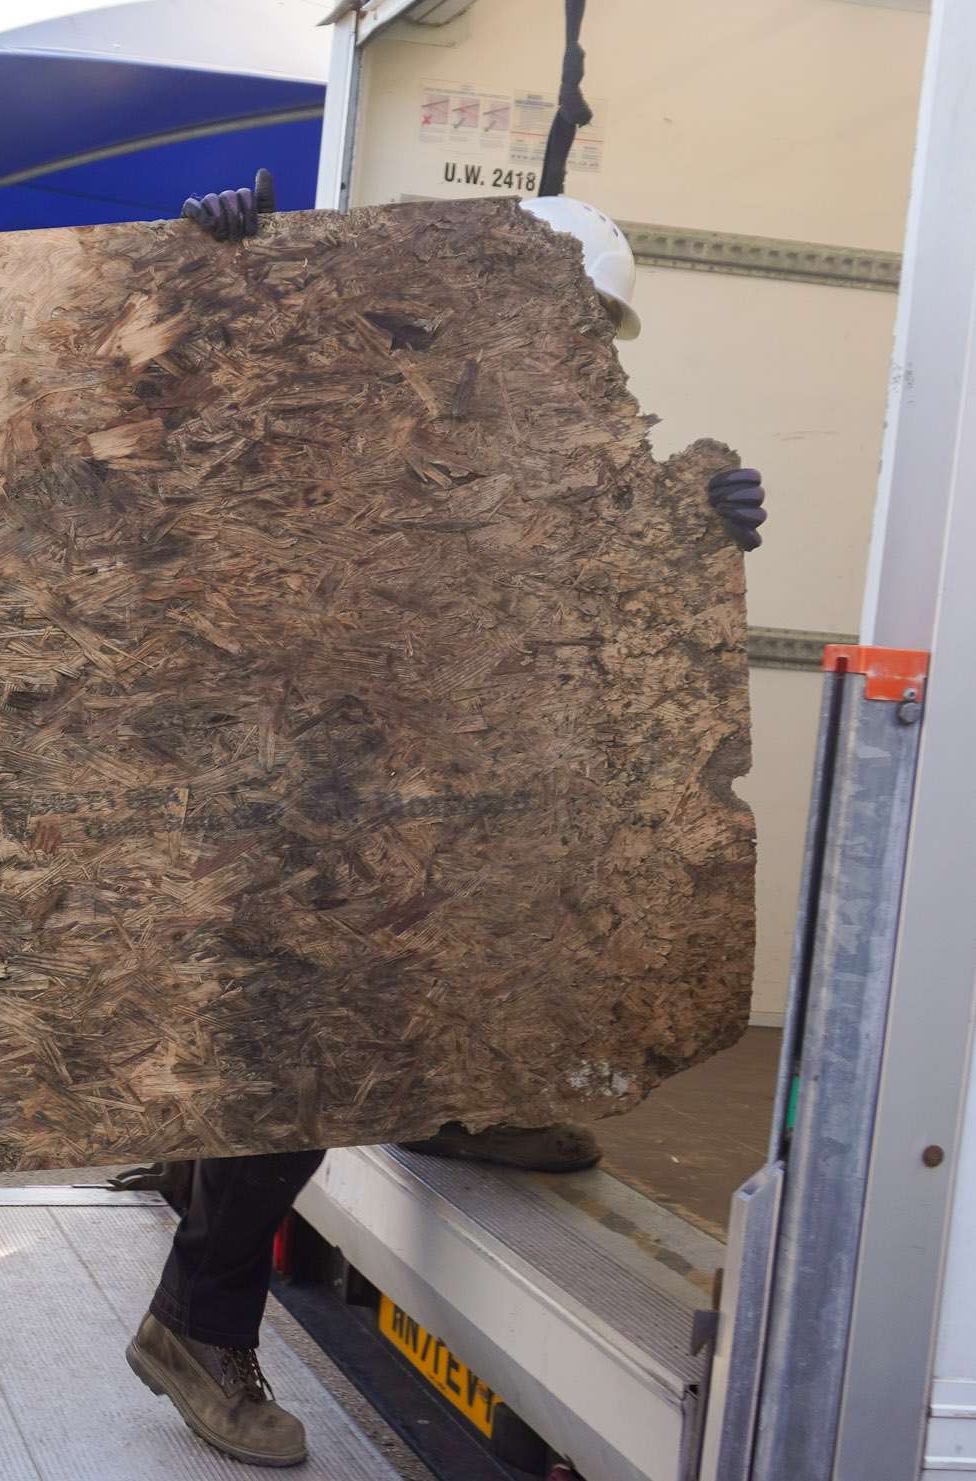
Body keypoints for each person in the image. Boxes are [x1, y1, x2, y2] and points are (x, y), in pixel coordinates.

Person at [129, 182, 768, 1468]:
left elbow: (586, 578)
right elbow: (179, 403)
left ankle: (454, 1106)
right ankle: (196, 1325)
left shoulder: (534, 428)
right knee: (318, 1029)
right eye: (565, 311)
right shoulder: (345, 372)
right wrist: (219, 254)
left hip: (439, 772)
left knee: (505, 924)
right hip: (297, 765)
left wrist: (701, 527)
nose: (574, 341)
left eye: (591, 323)